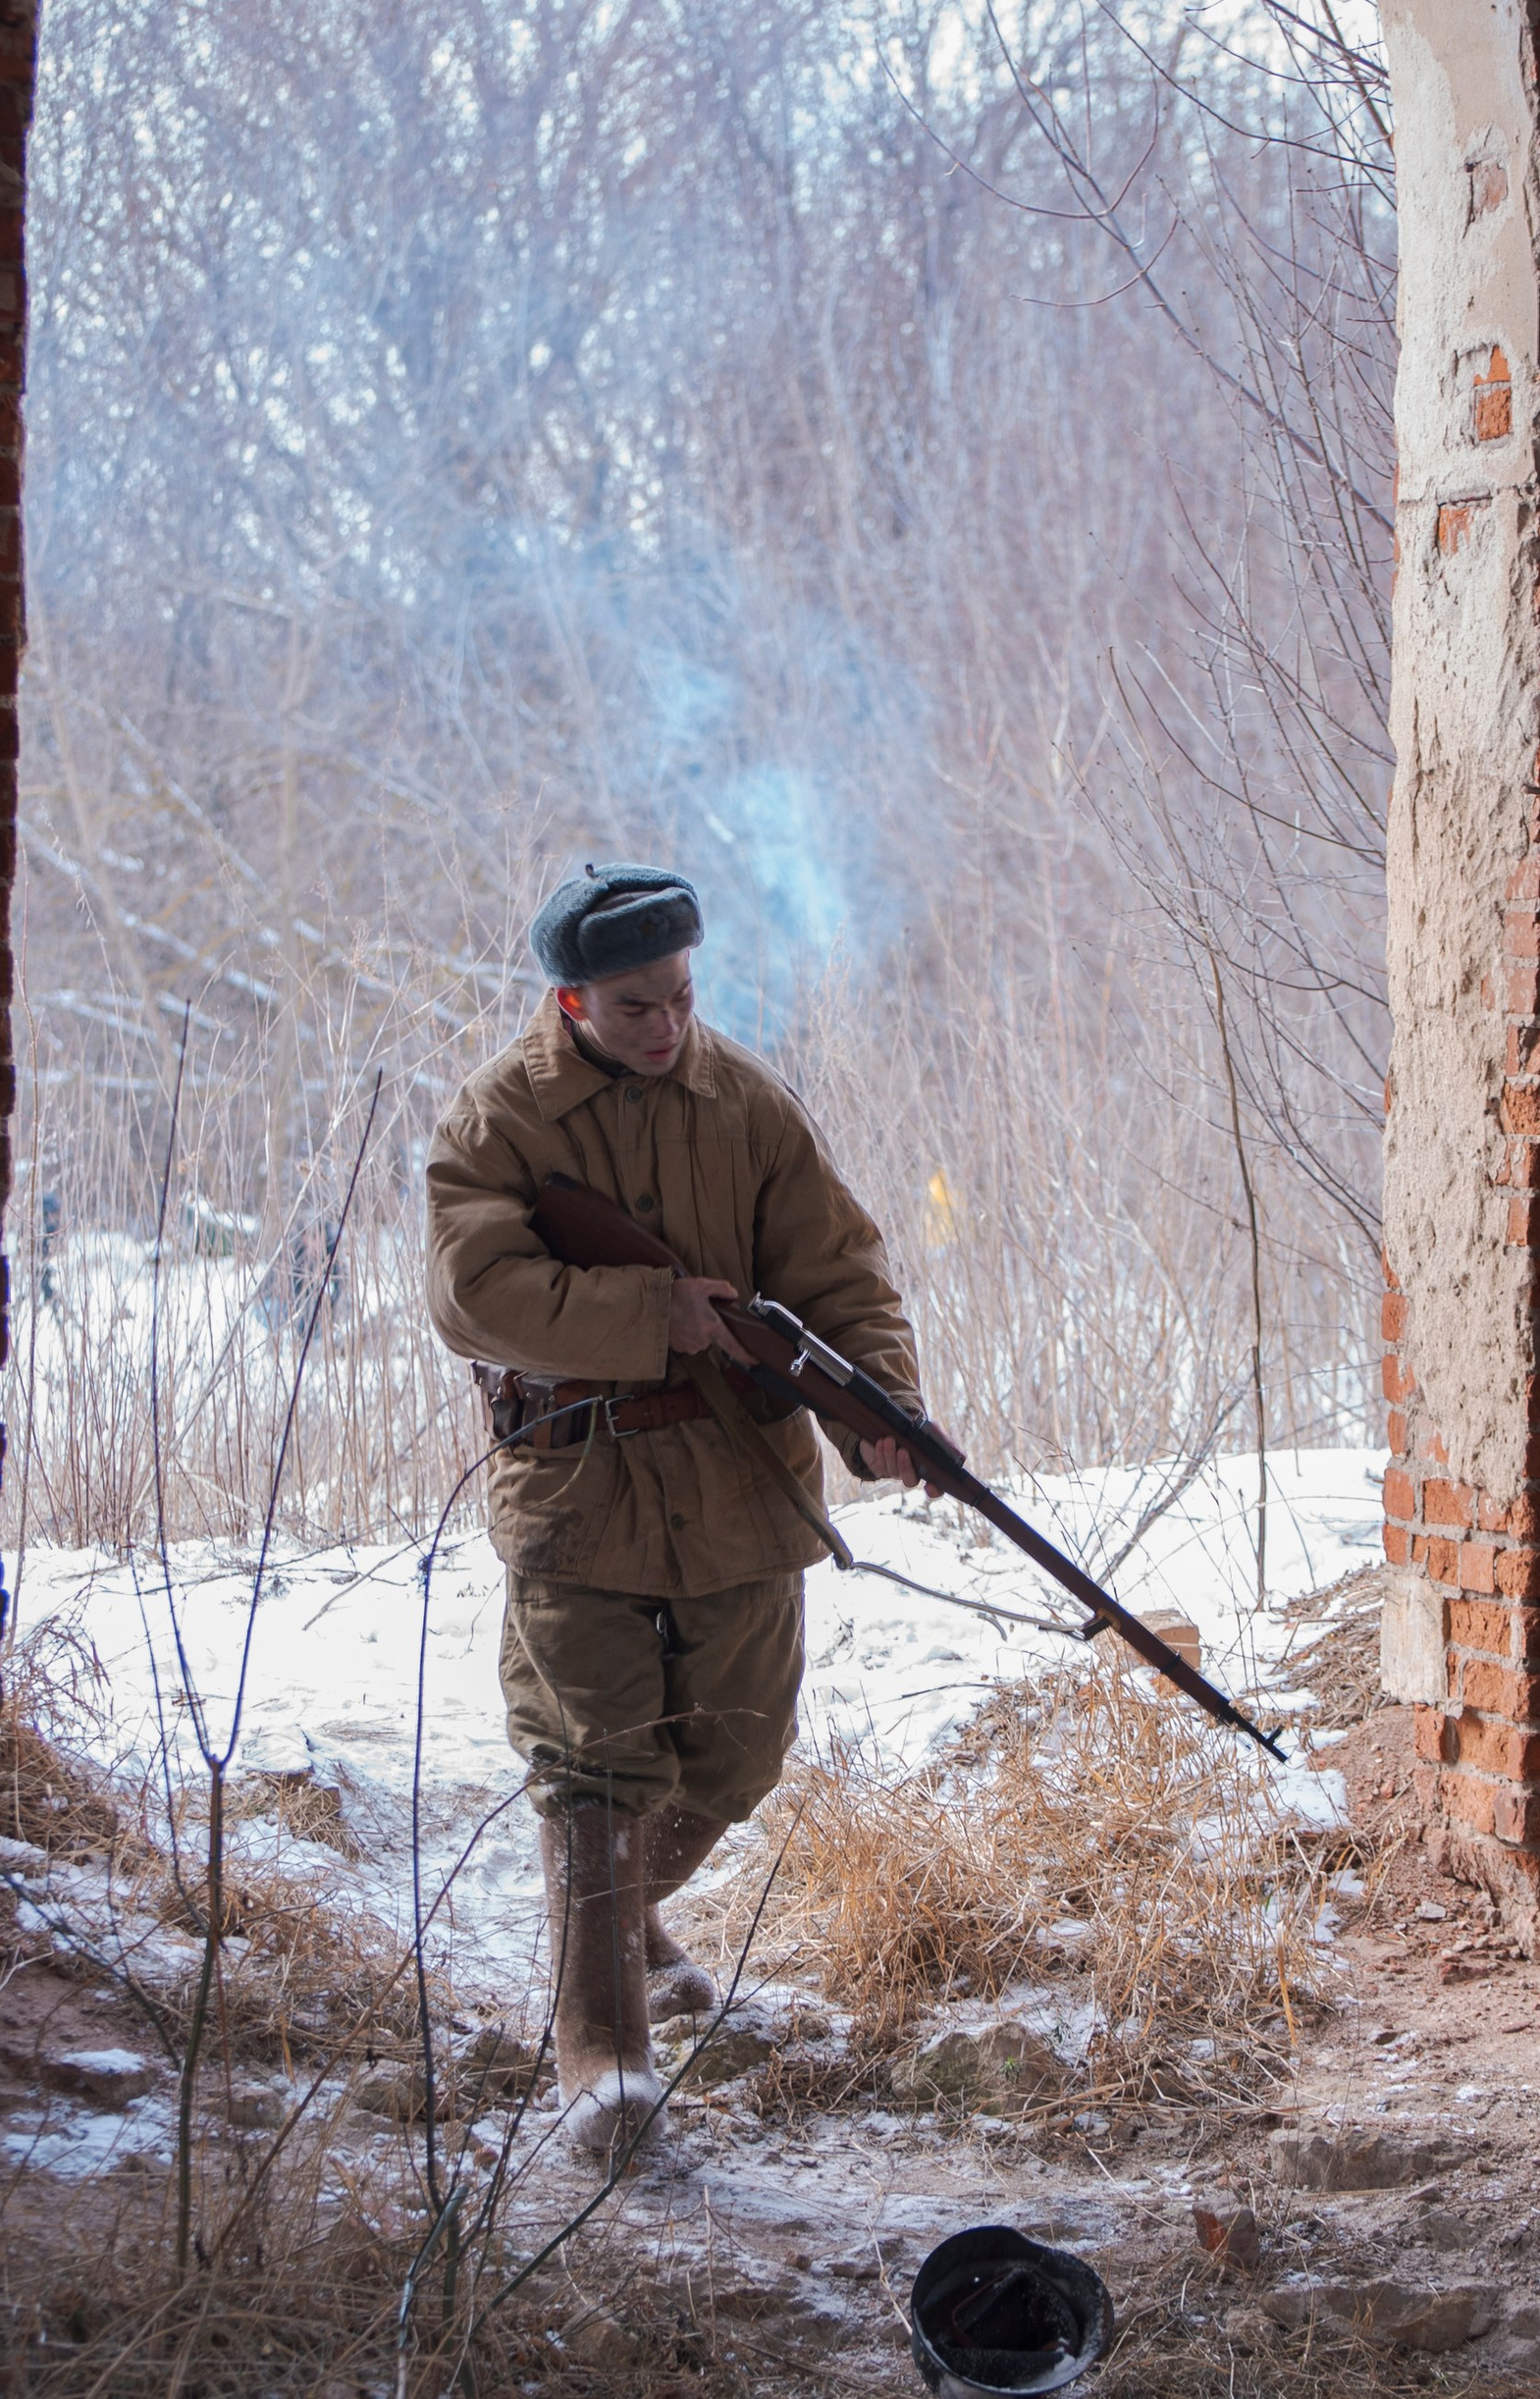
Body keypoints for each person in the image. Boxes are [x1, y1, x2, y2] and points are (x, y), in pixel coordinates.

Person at [425, 862, 926, 2163]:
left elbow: (840, 1274)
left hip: (735, 1489)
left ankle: (611, 1927)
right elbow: (470, 1287)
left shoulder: (746, 1105)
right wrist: (652, 1314)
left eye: (685, 997)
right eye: (639, 1005)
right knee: (594, 1766)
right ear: (571, 997)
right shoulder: (498, 1120)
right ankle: (604, 2061)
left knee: (734, 1758)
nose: (669, 1027)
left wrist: (880, 1414)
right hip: (578, 1493)